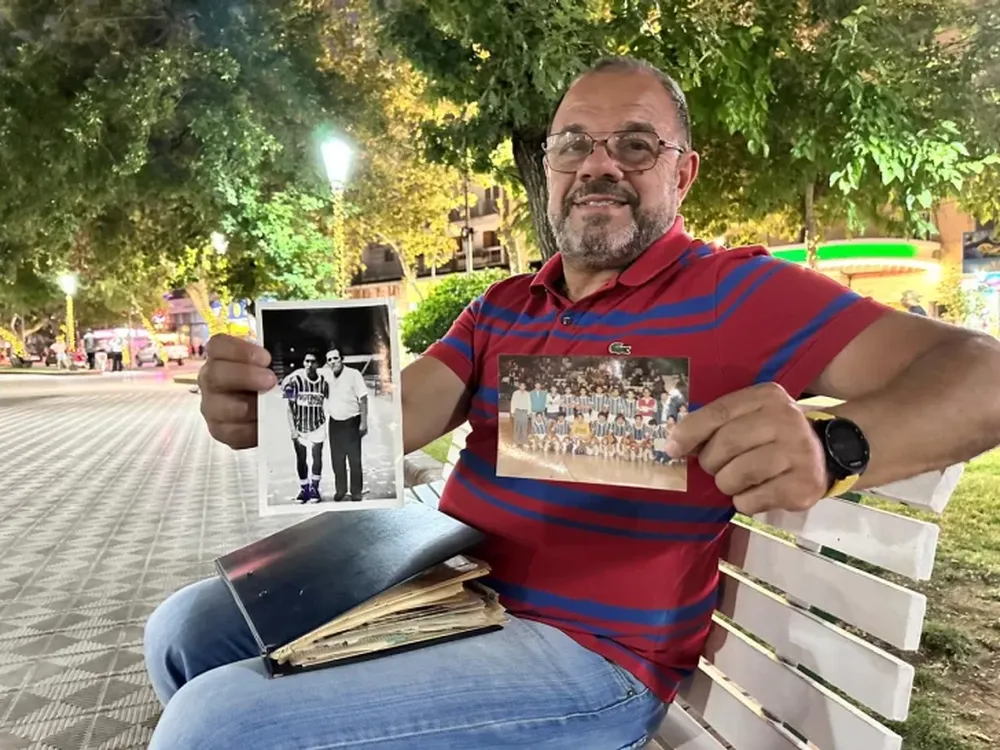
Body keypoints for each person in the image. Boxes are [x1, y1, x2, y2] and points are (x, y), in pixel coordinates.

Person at [149, 55, 1000, 749]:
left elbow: (982, 370)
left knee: (216, 727)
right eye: (574, 146)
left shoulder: (741, 294)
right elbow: (382, 425)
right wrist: (260, 405)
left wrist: (836, 448)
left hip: (596, 659)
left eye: (636, 145)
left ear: (684, 173)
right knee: (183, 632)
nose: (599, 165)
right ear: (549, 169)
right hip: (455, 596)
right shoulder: (503, 307)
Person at [281, 352, 329, 504]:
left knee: (317, 457)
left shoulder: (324, 382)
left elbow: (332, 398)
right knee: (301, 458)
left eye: (313, 362)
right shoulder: (294, 381)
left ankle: (314, 488)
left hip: (318, 425)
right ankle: (304, 489)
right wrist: (293, 430)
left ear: (318, 365)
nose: (309, 365)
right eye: (306, 361)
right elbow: (289, 407)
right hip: (300, 427)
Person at [323, 347, 368, 502]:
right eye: (329, 360)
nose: (333, 362)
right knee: (337, 459)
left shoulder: (353, 375)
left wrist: (363, 421)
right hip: (334, 423)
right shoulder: (328, 377)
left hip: (352, 422)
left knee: (354, 459)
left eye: (335, 358)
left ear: (342, 359)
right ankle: (340, 490)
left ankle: (356, 491)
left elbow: (363, 398)